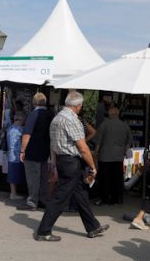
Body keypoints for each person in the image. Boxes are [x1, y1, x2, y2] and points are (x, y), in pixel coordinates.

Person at [33, 91, 108, 241]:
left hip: (62, 160)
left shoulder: (57, 118)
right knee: (60, 198)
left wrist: (54, 165)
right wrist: (93, 167)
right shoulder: (72, 120)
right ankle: (43, 230)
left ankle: (92, 226)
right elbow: (82, 147)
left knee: (80, 194)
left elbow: (53, 145)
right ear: (78, 106)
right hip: (71, 161)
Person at [90, 103, 133, 206]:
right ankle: (116, 199)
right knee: (117, 178)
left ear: (109, 114)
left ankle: (105, 199)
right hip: (118, 157)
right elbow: (129, 141)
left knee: (105, 179)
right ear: (118, 114)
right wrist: (124, 150)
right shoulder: (125, 126)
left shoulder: (104, 125)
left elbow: (98, 142)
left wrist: (95, 154)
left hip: (105, 156)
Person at [18, 93, 54, 211]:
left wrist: (22, 150)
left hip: (33, 151)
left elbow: (27, 134)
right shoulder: (50, 115)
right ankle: (44, 200)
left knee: (33, 178)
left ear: (34, 102)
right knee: (44, 178)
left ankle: (32, 202)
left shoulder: (33, 115)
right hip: (46, 151)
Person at [5, 110, 26, 202]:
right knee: (13, 175)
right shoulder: (17, 129)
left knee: (13, 174)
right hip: (15, 155)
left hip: (11, 155)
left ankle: (13, 193)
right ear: (21, 119)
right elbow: (15, 144)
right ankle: (13, 194)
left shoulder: (10, 128)